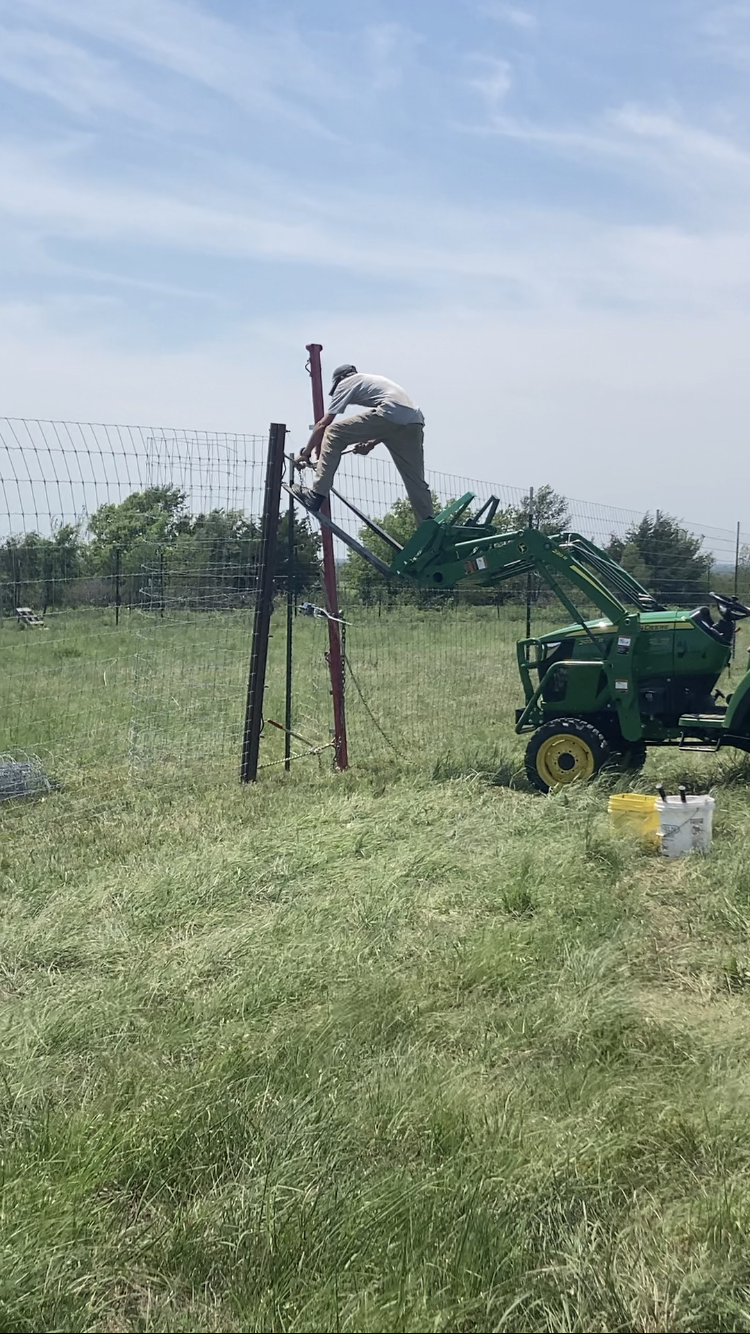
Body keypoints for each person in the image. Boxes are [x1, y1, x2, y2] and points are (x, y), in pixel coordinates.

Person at [292, 364, 433, 523]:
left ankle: (316, 495)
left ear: (340, 378)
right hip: (414, 421)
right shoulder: (373, 380)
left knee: (333, 433)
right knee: (414, 478)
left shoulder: (345, 383)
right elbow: (394, 424)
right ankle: (428, 523)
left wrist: (306, 453)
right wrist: (371, 443)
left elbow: (323, 425)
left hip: (390, 413)